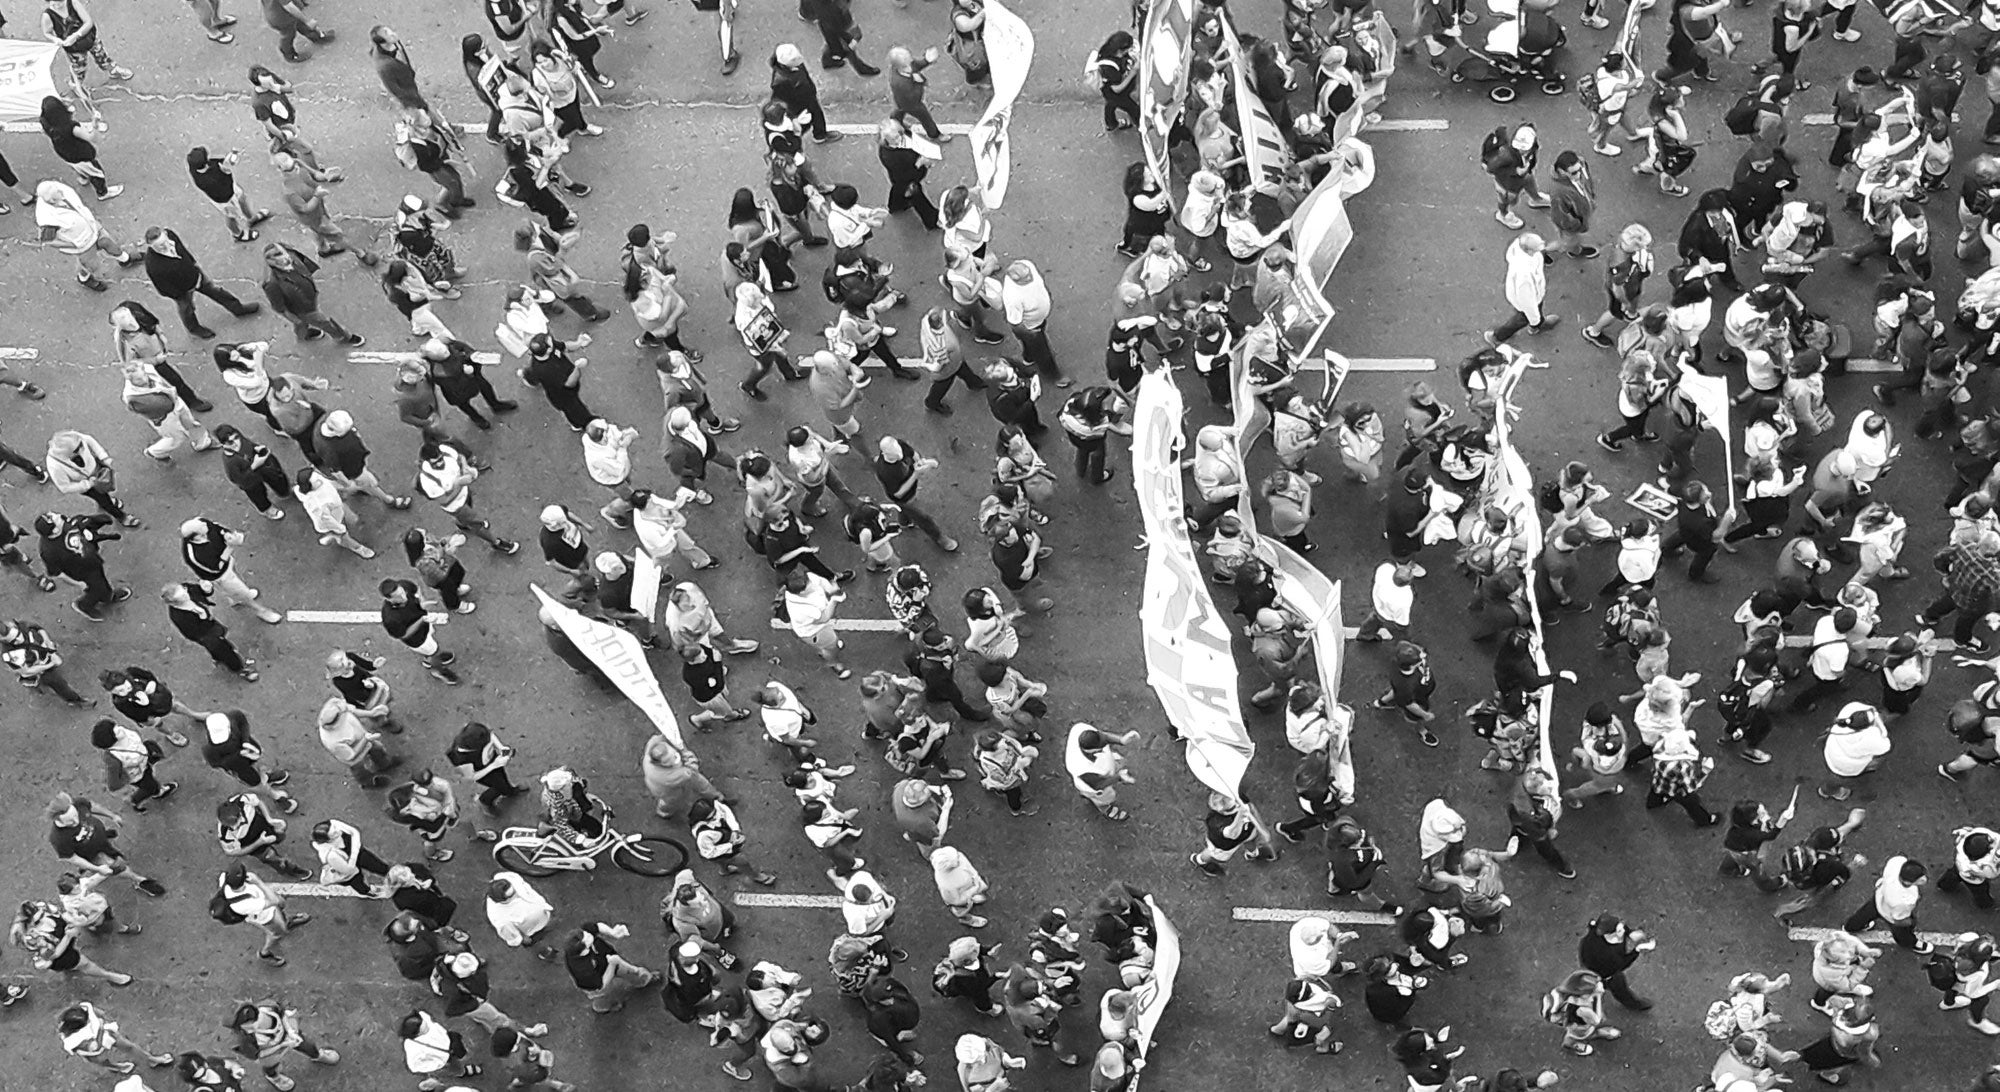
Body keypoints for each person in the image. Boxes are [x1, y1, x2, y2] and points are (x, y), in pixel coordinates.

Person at [141, 227, 261, 339]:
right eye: (160, 246)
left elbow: (183, 250)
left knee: (217, 291)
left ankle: (238, 309)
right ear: (150, 246)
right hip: (181, 290)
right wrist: (182, 292)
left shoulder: (170, 234)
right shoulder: (153, 266)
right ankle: (194, 328)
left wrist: (193, 263)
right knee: (186, 309)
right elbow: (163, 289)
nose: (166, 246)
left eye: (165, 241)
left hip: (195, 274)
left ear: (165, 234)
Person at [1844, 856, 1934, 952]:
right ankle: (1910, 943)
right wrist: (1911, 922)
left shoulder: (1896, 862)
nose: (1924, 879)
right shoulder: (1905, 900)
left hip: (1879, 897)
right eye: (1919, 878)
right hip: (1890, 914)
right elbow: (1899, 920)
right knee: (1902, 933)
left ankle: (1851, 927)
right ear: (1907, 882)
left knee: (1864, 914)